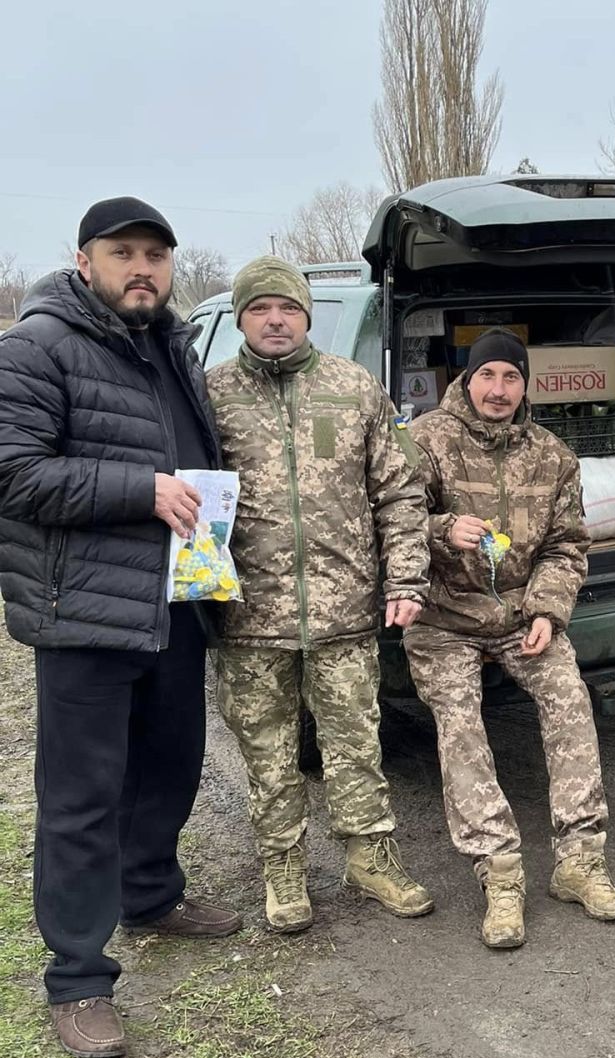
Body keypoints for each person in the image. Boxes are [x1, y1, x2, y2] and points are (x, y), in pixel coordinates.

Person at [0, 197, 241, 1058]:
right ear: (83, 259)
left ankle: (150, 894)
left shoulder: (172, 343)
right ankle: (76, 978)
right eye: (123, 252)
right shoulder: (35, 346)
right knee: (81, 798)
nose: (142, 268)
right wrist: (140, 489)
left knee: (170, 761)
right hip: (84, 613)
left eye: (156, 255)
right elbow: (16, 473)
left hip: (174, 600)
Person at [207, 257, 433, 931]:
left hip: (343, 612)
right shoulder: (211, 394)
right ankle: (284, 871)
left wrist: (406, 576)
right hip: (249, 616)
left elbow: (398, 490)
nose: (275, 319)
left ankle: (370, 858)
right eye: (260, 308)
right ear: (243, 317)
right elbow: (188, 498)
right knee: (269, 757)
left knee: (356, 746)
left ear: (307, 316)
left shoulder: (353, 387)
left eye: (288, 308)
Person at [404, 328, 615, 950]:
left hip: (519, 614)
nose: (498, 390)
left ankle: (579, 861)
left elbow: (566, 544)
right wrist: (442, 528)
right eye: (487, 376)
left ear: (525, 385)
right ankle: (500, 871)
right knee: (460, 720)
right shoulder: (426, 440)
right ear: (467, 380)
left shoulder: (553, 455)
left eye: (511, 378)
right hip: (444, 618)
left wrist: (547, 612)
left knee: (569, 699)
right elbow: (390, 519)